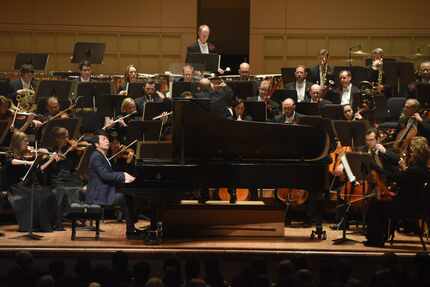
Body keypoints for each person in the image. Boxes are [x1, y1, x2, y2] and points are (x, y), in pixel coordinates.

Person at [365, 136, 430, 247]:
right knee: (382, 202)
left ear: (415, 153)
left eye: (409, 151)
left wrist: (376, 168)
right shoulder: (424, 169)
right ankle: (382, 236)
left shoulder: (413, 170)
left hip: (407, 208)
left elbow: (395, 177)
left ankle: (376, 240)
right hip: (421, 208)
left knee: (375, 204)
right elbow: (404, 178)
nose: (408, 153)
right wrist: (404, 168)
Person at [85, 131, 139, 238]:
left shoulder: (102, 156)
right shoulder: (96, 156)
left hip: (104, 189)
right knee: (123, 197)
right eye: (104, 140)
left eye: (107, 139)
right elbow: (105, 175)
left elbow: (109, 175)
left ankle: (131, 228)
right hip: (99, 193)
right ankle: (131, 230)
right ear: (96, 144)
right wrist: (123, 175)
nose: (107, 141)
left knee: (128, 196)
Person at [6, 131, 58, 232]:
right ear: (17, 142)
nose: (27, 143)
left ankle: (44, 225)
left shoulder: (29, 154)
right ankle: (31, 226)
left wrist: (50, 160)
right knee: (37, 196)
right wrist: (27, 162)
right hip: (15, 187)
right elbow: (11, 162)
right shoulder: (10, 154)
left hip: (26, 186)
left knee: (49, 194)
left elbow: (39, 169)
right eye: (25, 141)